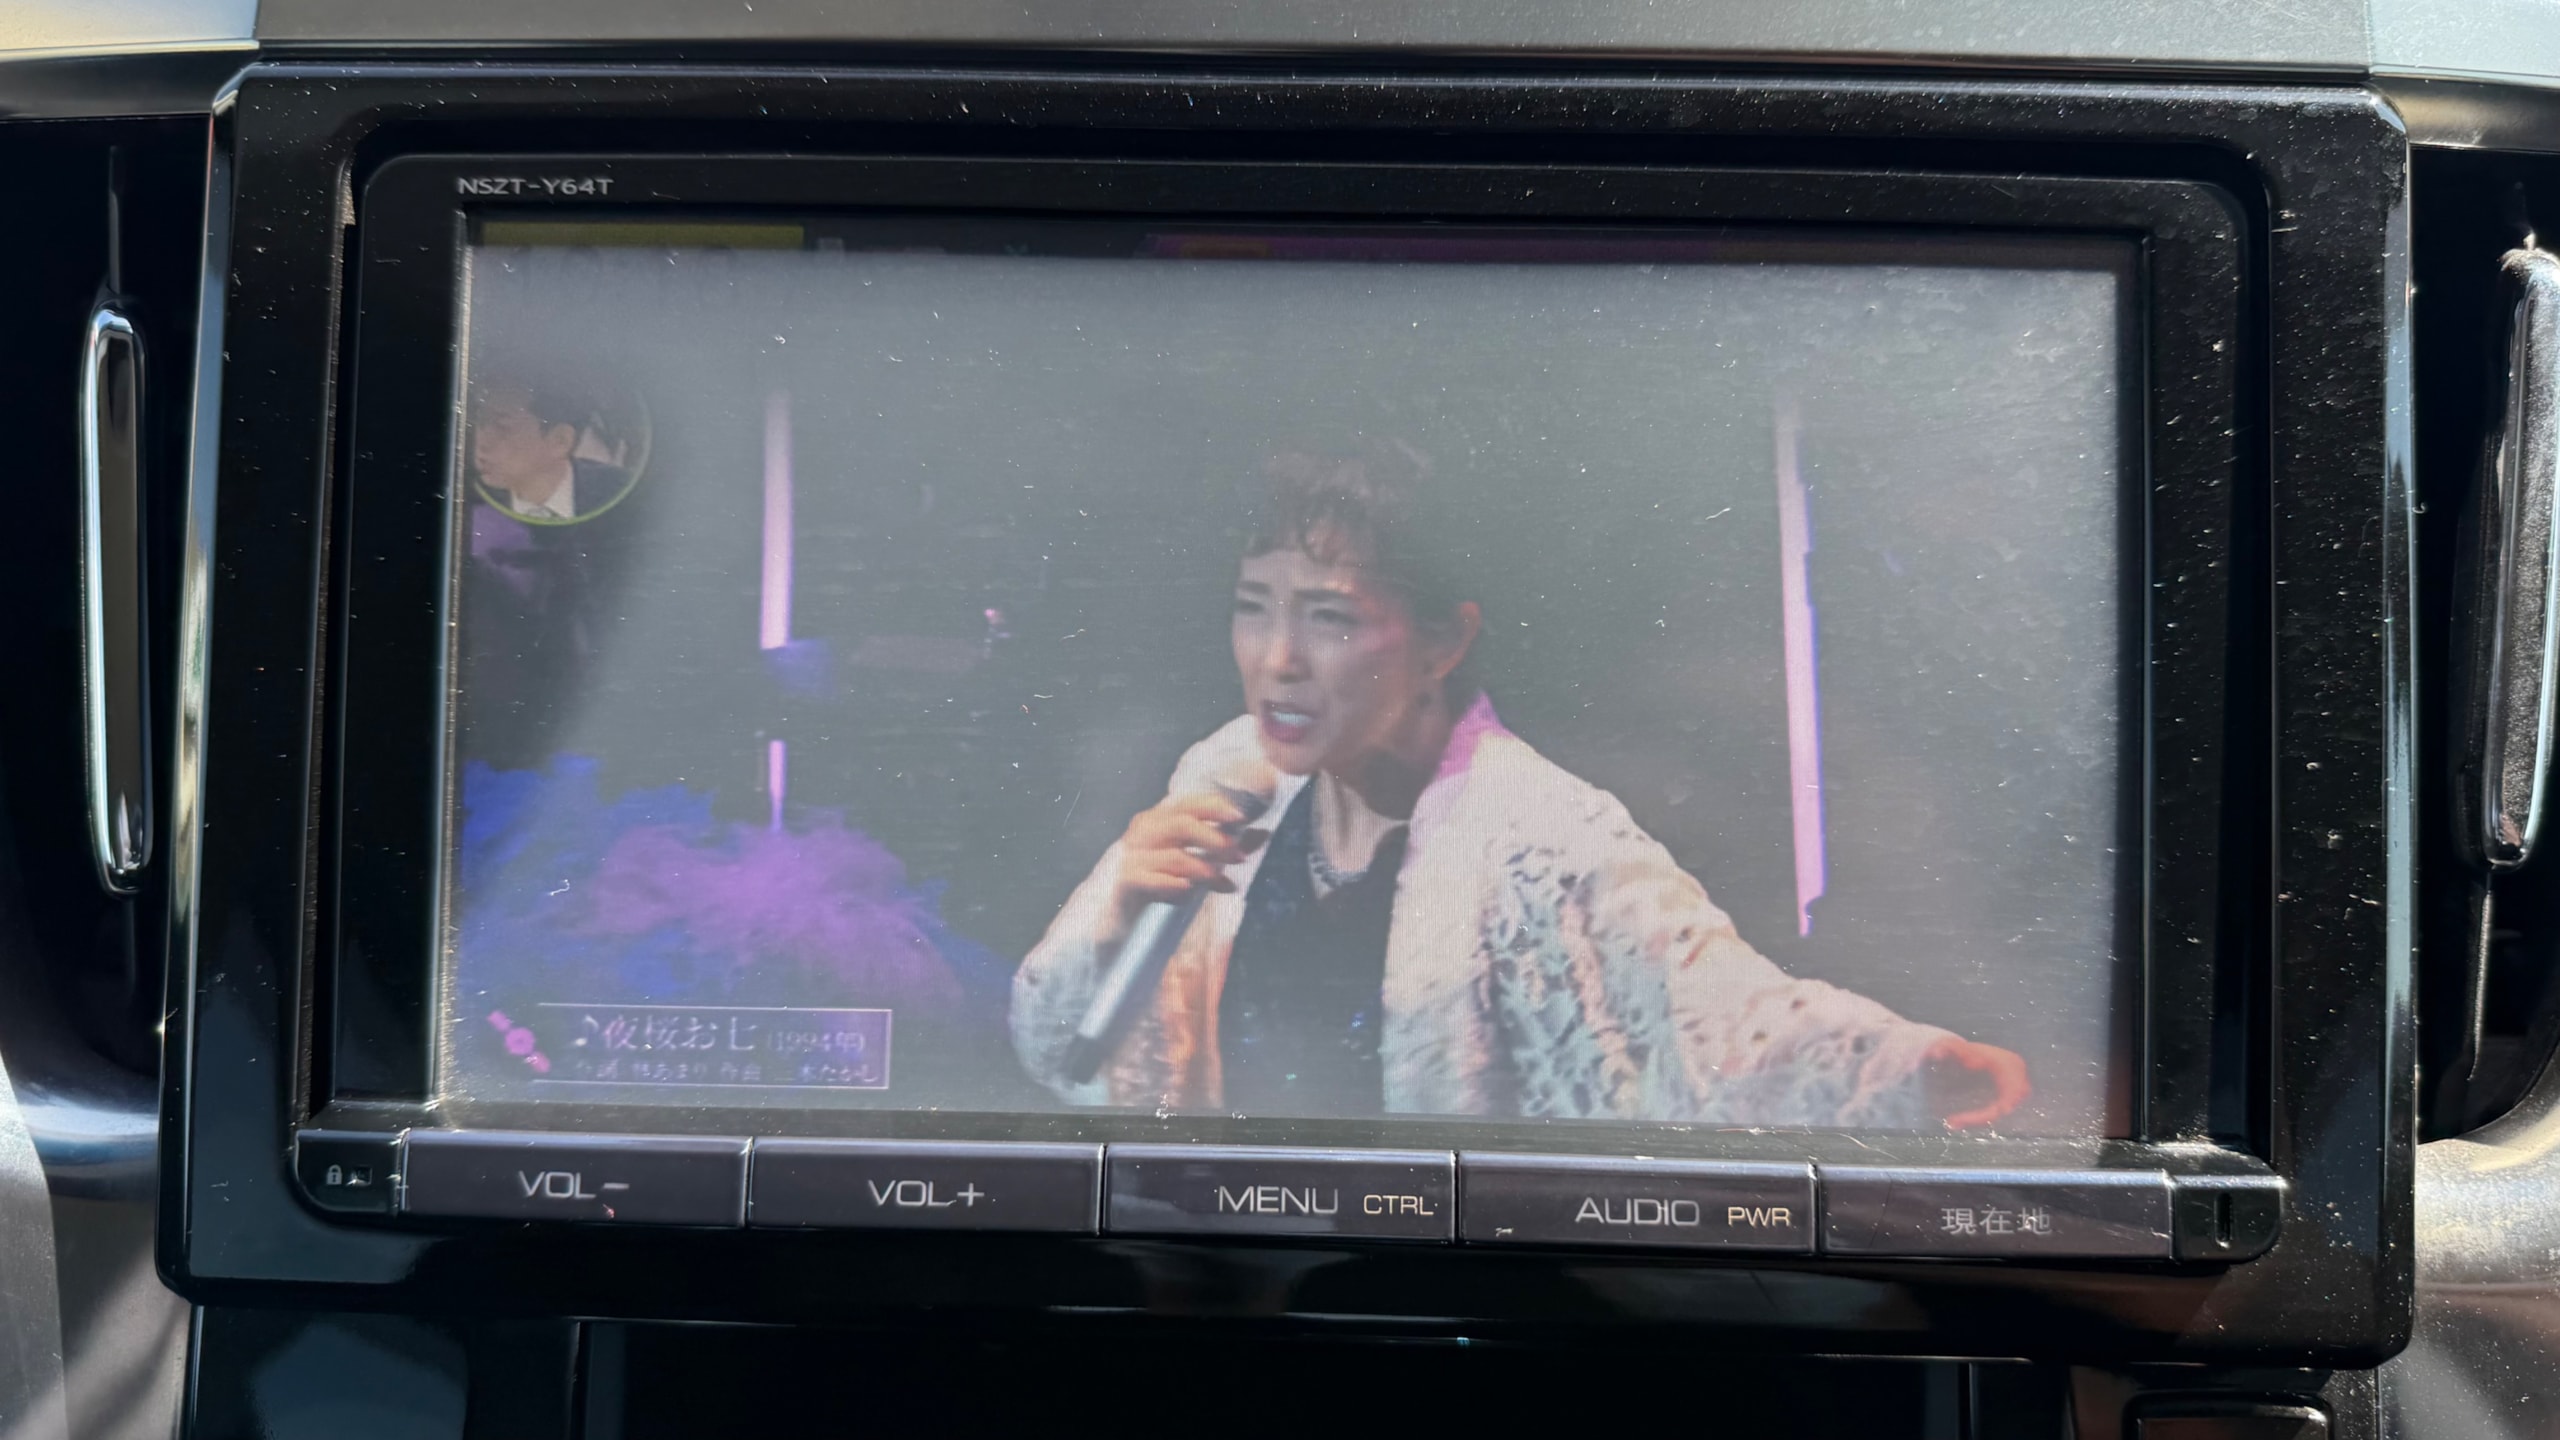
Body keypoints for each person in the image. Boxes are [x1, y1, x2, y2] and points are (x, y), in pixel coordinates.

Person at [1010, 442, 2032, 1129]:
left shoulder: (1537, 831)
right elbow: (1063, 1053)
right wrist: (1116, 913)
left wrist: (1904, 1070)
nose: (1277, 659)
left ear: (1443, 641)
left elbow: (1712, 1014)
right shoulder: (1225, 776)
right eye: (1252, 608)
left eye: (1328, 617)